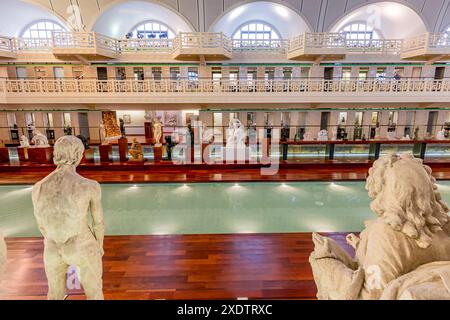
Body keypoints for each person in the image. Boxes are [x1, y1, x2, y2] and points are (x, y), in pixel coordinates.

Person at [32, 136, 105, 300]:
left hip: (52, 247)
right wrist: (99, 246)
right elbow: (98, 223)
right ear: (78, 155)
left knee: (54, 294)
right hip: (81, 245)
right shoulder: (89, 186)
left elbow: (41, 225)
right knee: (94, 292)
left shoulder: (38, 187)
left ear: (56, 154)